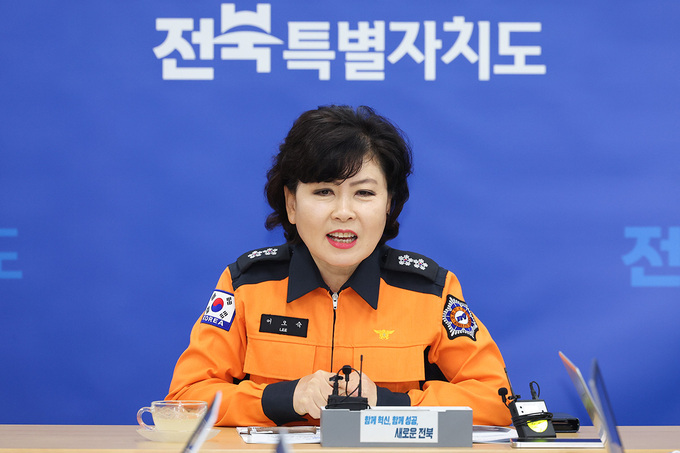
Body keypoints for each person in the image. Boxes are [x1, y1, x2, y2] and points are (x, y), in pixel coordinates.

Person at [166, 105, 512, 427]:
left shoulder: (429, 291)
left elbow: (496, 401)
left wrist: (388, 403)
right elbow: (185, 399)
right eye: (324, 192)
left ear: (388, 204)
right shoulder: (247, 285)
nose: (343, 212)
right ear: (291, 204)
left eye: (364, 193)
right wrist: (286, 398)